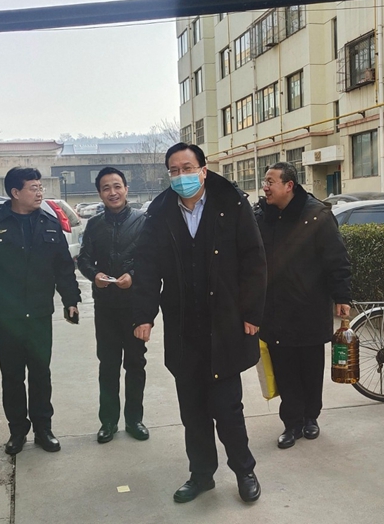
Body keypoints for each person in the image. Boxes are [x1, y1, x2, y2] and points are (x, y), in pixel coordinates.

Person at [132, 143, 266, 504]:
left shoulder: (231, 204)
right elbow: (146, 266)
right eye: (174, 170)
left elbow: (254, 260)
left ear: (203, 170)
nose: (181, 176)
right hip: (183, 327)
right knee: (192, 411)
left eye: (187, 168)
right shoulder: (160, 212)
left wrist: (252, 313)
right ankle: (202, 475)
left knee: (227, 408)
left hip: (225, 324)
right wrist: (144, 315)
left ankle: (244, 471)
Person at [0, 167, 81, 456]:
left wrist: (71, 300)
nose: (40, 193)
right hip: (7, 315)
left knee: (40, 374)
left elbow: (64, 268)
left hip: (39, 314)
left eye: (41, 187)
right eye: (33, 188)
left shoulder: (50, 224)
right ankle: (17, 431)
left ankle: (43, 429)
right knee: (13, 376)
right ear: (15, 192)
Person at [255, 162, 352, 449]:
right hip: (275, 309)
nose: (265, 187)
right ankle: (291, 423)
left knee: (310, 367)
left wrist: (342, 297)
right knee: (285, 370)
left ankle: (311, 418)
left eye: (271, 181)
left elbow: (337, 259)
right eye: (265, 181)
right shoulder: (261, 217)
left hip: (310, 307)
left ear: (289, 185)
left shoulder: (317, 215)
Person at [77, 167, 149, 444]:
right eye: (106, 188)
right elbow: (84, 259)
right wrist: (94, 275)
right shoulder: (94, 224)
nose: (113, 192)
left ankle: (134, 420)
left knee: (135, 364)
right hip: (105, 306)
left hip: (134, 307)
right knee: (108, 365)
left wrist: (133, 275)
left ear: (126, 189)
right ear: (100, 193)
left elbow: (151, 259)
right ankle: (108, 422)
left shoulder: (143, 221)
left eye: (117, 186)